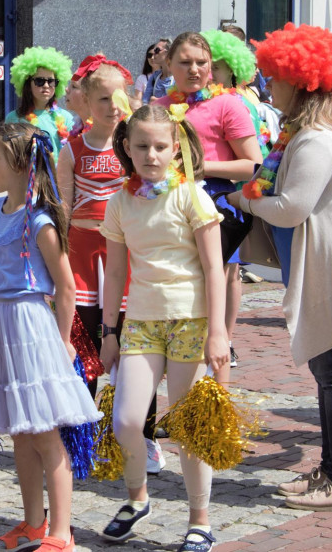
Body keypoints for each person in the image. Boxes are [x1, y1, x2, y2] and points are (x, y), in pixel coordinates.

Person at [228, 22, 332, 513]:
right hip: (329, 266)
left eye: (274, 76)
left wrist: (244, 200)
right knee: (330, 374)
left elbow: (292, 207)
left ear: (299, 82)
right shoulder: (305, 133)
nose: (267, 84)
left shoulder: (316, 139)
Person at [0, 123, 102, 552]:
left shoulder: (39, 220)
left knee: (44, 430)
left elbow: (65, 286)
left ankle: (62, 530)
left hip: (29, 323)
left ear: (22, 165)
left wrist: (63, 339)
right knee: (20, 431)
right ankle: (32, 523)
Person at [99, 104, 228, 552]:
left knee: (188, 427)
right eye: (141, 146)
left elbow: (215, 268)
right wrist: (108, 332)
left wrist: (218, 332)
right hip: (141, 321)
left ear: (176, 149)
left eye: (160, 146)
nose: (151, 155)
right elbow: (115, 274)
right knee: (128, 419)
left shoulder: (192, 196)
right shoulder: (118, 202)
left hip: (191, 321)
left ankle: (200, 520)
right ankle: (137, 499)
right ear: (127, 149)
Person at [56, 55, 164, 475]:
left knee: (136, 349)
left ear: (131, 96)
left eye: (119, 97)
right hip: (84, 255)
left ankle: (146, 438)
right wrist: (57, 260)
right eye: (102, 98)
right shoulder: (72, 147)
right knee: (84, 350)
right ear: (84, 99)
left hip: (130, 255)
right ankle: (83, 437)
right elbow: (62, 207)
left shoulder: (139, 145)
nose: (111, 107)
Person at [155, 32, 261, 378]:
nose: (195, 69)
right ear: (168, 65)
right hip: (167, 208)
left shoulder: (227, 104)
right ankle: (183, 391)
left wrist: (201, 167)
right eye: (185, 62)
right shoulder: (157, 108)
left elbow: (252, 164)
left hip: (213, 206)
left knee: (211, 299)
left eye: (202, 62)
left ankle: (216, 397)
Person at [4, 46, 76, 150]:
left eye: (51, 81)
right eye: (39, 81)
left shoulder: (66, 118)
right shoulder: (13, 118)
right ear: (28, 84)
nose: (46, 85)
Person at [141, 38, 173, 104]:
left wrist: (159, 102)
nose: (153, 53)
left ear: (168, 52)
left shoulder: (178, 77)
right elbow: (145, 101)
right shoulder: (155, 76)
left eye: (157, 50)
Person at [132, 41, 162, 109]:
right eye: (149, 55)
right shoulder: (142, 78)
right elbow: (138, 101)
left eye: (155, 54)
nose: (152, 57)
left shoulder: (170, 77)